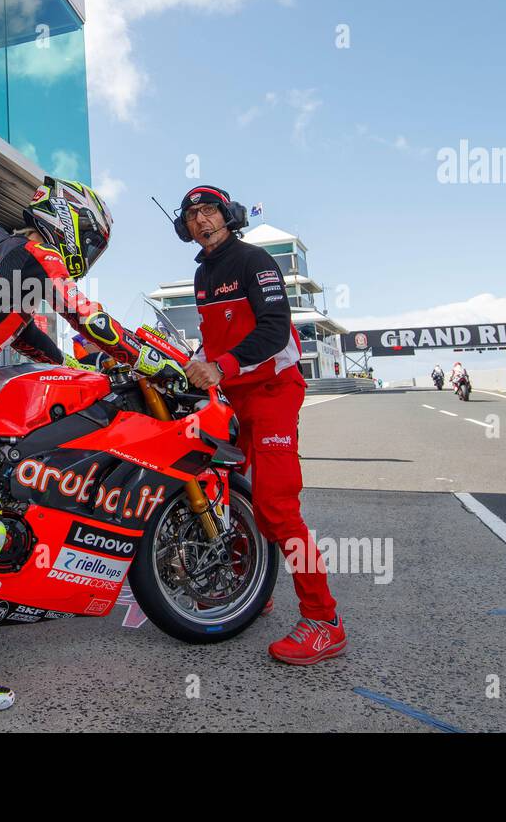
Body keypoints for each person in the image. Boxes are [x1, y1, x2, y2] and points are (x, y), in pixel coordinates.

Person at [0, 177, 183, 711]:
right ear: (71, 221)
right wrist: (144, 359)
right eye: (92, 242)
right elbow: (88, 316)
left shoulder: (0, 245)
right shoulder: (38, 251)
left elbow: (18, 328)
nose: (89, 255)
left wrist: (67, 364)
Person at [173, 185, 345, 666]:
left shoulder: (256, 262)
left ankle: (323, 620)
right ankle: (254, 586)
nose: (200, 221)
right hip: (234, 396)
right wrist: (190, 363)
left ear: (228, 215)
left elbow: (272, 330)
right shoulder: (203, 275)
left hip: (272, 392)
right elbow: (213, 339)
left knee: (274, 505)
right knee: (233, 495)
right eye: (191, 216)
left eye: (208, 211)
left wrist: (222, 366)